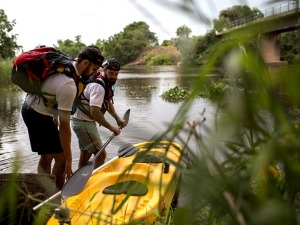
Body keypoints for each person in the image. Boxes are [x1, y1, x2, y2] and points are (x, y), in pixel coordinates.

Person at [21, 45, 104, 190]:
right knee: (62, 159)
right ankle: (55, 196)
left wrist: (55, 115)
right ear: (85, 63)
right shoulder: (69, 85)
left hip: (35, 108)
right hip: (35, 114)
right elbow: (65, 128)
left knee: (47, 156)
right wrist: (70, 160)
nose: (94, 74)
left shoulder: (69, 66)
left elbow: (52, 92)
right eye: (94, 69)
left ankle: (44, 191)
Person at [71, 58, 126, 169]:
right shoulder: (99, 86)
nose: (113, 76)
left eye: (116, 74)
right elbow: (95, 112)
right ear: (104, 70)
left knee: (86, 153)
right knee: (101, 154)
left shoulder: (106, 83)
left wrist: (117, 118)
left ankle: (78, 182)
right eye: (111, 73)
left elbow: (108, 103)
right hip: (84, 124)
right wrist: (112, 128)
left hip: (81, 122)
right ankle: (93, 181)